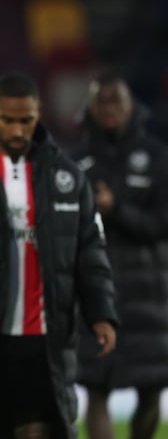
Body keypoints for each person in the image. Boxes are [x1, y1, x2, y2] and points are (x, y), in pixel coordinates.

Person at [0, 72, 118, 439]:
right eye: (7, 120)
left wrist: (102, 313)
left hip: (46, 337)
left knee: (42, 430)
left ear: (38, 114)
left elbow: (89, 250)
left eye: (25, 120)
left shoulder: (66, 175)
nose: (16, 130)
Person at [72, 73, 168, 439]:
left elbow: (163, 223)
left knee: (153, 390)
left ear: (131, 107)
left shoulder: (157, 157)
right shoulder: (75, 161)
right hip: (97, 292)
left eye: (117, 102)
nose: (110, 110)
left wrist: (117, 209)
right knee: (96, 389)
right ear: (91, 108)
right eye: (102, 102)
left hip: (149, 296)